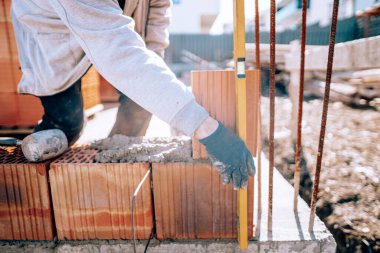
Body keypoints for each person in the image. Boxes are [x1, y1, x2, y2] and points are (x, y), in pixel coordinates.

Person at [11, 0, 255, 189]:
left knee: (140, 105)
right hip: (53, 31)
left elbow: (156, 20)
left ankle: (109, 172)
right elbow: (116, 50)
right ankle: (29, 174)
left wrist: (156, 86)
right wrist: (205, 128)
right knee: (68, 124)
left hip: (107, 24)